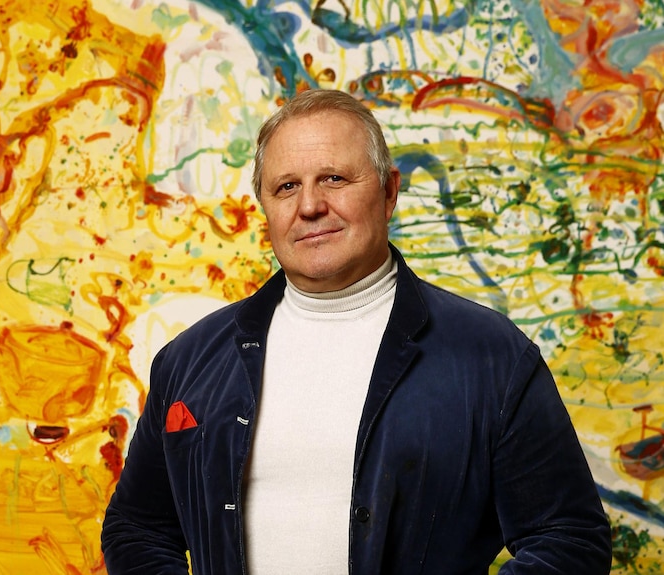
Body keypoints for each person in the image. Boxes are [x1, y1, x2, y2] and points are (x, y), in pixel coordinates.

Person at [101, 89, 612, 574]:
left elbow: (567, 537)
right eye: (286, 187)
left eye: (334, 179)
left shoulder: (490, 356)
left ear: (389, 192)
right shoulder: (190, 361)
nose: (309, 206)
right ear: (266, 207)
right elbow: (138, 527)